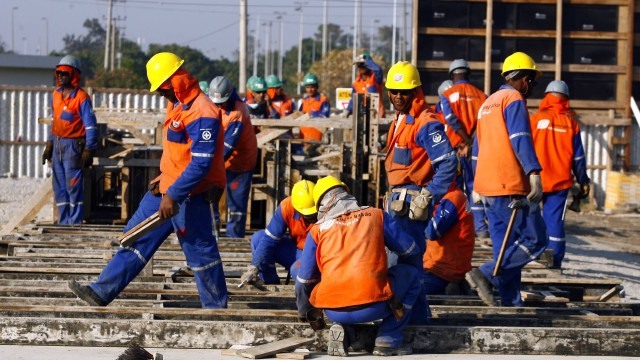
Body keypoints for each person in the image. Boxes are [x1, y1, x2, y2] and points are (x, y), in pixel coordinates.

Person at [68, 52, 228, 308]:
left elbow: (201, 162)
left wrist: (174, 194)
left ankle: (216, 310)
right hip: (166, 189)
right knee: (134, 237)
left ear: (171, 82)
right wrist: (164, 181)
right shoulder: (176, 103)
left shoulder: (203, 111)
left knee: (200, 253)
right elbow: (178, 153)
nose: (159, 95)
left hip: (190, 195)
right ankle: (100, 292)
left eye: (161, 89)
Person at [295, 176, 424, 356]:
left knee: (327, 283)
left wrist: (304, 312)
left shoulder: (317, 229)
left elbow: (304, 280)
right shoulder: (376, 215)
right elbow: (411, 250)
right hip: (375, 306)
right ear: (346, 192)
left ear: (320, 205)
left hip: (333, 310)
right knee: (411, 275)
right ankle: (389, 337)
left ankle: (344, 331)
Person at [469, 51, 548, 307]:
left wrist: (475, 185)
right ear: (523, 79)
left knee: (506, 245)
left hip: (487, 185)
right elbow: (520, 139)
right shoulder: (513, 98)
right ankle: (485, 273)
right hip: (509, 184)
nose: (531, 87)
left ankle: (510, 302)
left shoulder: (488, 103)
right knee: (535, 239)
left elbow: (476, 149)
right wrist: (533, 173)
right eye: (531, 81)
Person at [384, 61, 457, 324]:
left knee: (407, 262)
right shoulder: (401, 120)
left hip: (411, 206)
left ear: (416, 91)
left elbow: (449, 162)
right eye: (393, 91)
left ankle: (409, 322)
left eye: (404, 92)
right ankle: (419, 318)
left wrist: (429, 195)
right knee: (408, 264)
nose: (398, 97)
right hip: (397, 203)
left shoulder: (426, 122)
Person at [530, 80, 590, 269]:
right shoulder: (571, 124)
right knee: (554, 222)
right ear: (565, 99)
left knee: (529, 218)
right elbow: (578, 158)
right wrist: (583, 180)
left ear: (546, 97)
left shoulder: (534, 120)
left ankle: (530, 256)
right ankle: (554, 263)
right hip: (560, 182)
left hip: (533, 180)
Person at [42, 55, 98, 225]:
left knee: (73, 184)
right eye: (58, 73)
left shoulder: (81, 98)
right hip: (58, 144)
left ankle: (74, 221)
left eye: (64, 73)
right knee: (59, 185)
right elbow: (55, 120)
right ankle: (63, 221)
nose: (60, 76)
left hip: (73, 146)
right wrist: (50, 143)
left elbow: (90, 126)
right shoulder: (56, 95)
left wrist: (89, 149)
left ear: (74, 75)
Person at [441, 59, 489, 238]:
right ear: (468, 73)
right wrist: (471, 143)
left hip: (454, 150)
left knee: (453, 190)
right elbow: (482, 121)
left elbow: (451, 120)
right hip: (473, 151)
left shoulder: (447, 94)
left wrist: (464, 141)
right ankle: (481, 229)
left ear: (452, 75)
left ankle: (456, 230)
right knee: (474, 188)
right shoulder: (481, 95)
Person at [208, 76, 258, 238]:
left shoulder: (238, 112)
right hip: (219, 161)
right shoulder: (213, 108)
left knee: (236, 205)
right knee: (209, 198)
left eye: (222, 102)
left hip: (240, 163)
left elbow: (228, 146)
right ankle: (211, 234)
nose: (219, 105)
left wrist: (206, 165)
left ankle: (234, 239)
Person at [240, 180, 316, 285]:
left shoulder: (325, 209)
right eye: (307, 213)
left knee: (298, 271)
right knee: (258, 239)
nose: (310, 216)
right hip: (295, 252)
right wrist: (254, 266)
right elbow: (269, 238)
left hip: (314, 255)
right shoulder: (287, 207)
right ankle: (270, 283)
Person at [423, 184, 475, 295]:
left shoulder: (453, 197)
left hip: (443, 270)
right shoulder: (447, 196)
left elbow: (432, 232)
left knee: (408, 296)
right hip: (439, 266)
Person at [344, 53, 386, 118]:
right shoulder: (356, 83)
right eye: (359, 65)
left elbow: (378, 70)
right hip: (361, 116)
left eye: (363, 65)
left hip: (376, 116)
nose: (361, 67)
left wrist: (366, 61)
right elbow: (353, 99)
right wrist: (348, 109)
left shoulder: (376, 78)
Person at [298, 72, 330, 142]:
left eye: (312, 87)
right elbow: (299, 116)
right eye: (307, 87)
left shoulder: (323, 100)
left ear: (317, 87)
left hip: (316, 139)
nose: (310, 90)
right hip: (303, 138)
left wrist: (314, 115)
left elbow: (325, 118)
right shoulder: (304, 101)